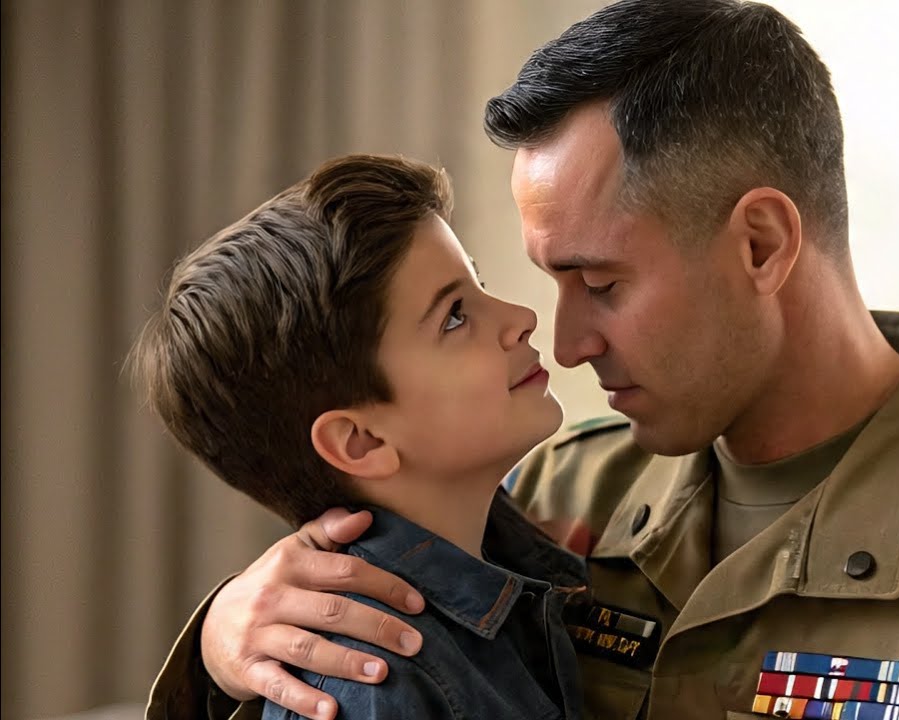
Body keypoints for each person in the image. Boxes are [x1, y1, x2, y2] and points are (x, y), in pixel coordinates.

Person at [147, 2, 899, 719]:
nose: (562, 340)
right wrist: (226, 642)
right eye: (545, 280)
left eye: (601, 283)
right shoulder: (555, 496)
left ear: (759, 245)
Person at [133, 154, 588, 719]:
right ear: (361, 442)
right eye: (454, 316)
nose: (521, 317)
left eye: (481, 284)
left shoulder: (524, 570)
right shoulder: (369, 682)